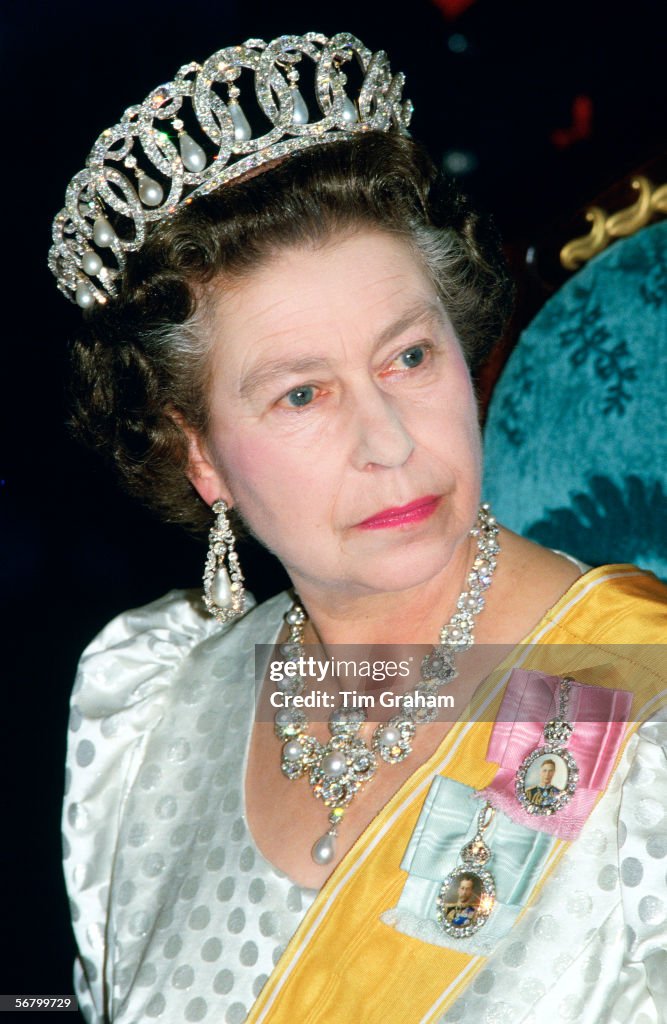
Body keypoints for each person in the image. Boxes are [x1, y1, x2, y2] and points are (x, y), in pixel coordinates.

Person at [52, 32, 667, 1024]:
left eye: (408, 357)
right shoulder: (146, 715)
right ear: (199, 455)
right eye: (302, 394)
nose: (387, 441)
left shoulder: (638, 722)